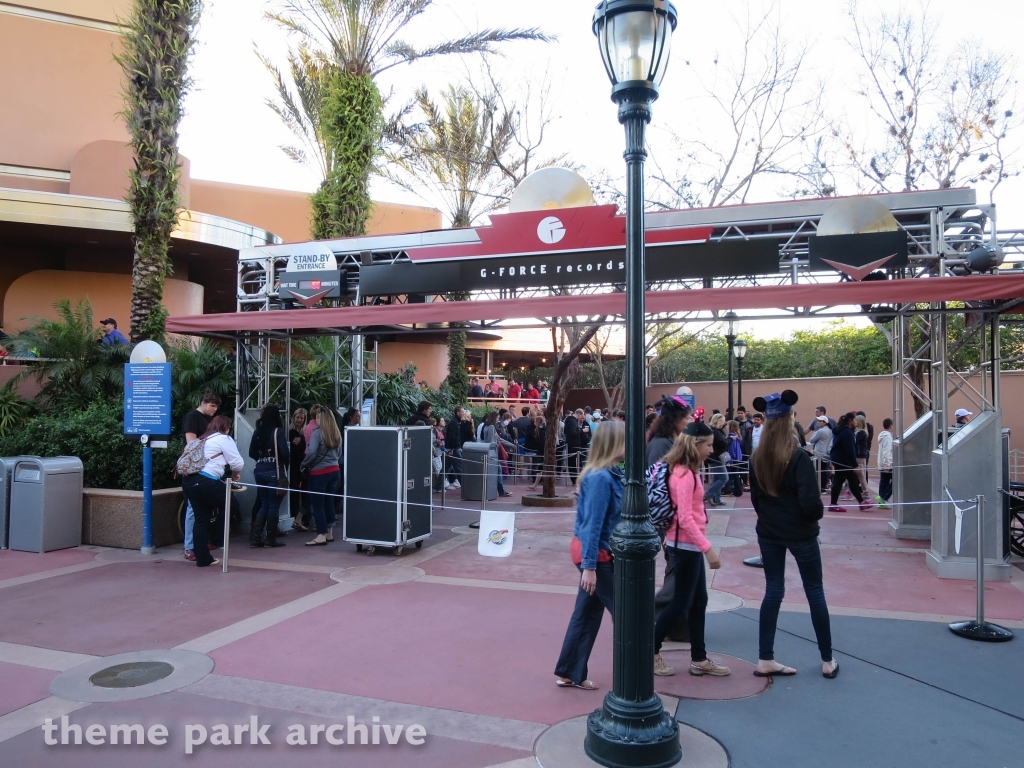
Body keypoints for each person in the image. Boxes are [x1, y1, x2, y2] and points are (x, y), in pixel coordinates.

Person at [748, 390, 838, 679]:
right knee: (814, 591)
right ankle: (827, 660)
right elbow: (811, 502)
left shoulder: (757, 457)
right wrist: (812, 518)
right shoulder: (798, 456)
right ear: (788, 420)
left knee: (773, 590)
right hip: (801, 533)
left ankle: (765, 657)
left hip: (770, 532)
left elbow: (757, 501)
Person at [652, 420, 730, 678]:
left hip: (686, 545)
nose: (711, 449)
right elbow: (685, 517)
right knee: (681, 602)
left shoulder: (687, 471)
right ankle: (650, 651)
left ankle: (699, 657)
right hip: (686, 546)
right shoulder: (684, 475)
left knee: (697, 601)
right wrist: (708, 549)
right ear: (695, 445)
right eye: (708, 444)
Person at [554, 420, 625, 690]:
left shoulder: (606, 474)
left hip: (594, 551)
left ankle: (570, 670)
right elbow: (593, 524)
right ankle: (633, 669)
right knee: (624, 610)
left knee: (587, 612)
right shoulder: (600, 478)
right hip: (596, 553)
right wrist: (590, 566)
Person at [180, 415, 242, 568]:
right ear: (226, 428)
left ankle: (203, 559)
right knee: (232, 505)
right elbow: (237, 462)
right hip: (206, 481)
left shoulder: (202, 439)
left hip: (188, 482)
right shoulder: (224, 439)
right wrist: (235, 474)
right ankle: (216, 538)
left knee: (201, 520)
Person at [181, 390, 221, 562]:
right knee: (192, 509)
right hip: (195, 469)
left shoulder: (209, 419)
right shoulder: (192, 417)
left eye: (216, 406)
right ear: (203, 403)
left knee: (203, 510)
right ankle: (189, 546)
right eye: (212, 405)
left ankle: (201, 542)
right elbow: (191, 444)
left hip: (207, 468)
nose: (215, 409)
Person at [248, 404, 289, 548]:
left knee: (264, 504)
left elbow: (251, 453)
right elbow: (285, 452)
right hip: (275, 471)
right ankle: (271, 538)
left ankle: (255, 537)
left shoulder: (258, 431)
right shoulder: (278, 432)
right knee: (274, 506)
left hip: (259, 471)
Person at [302, 405, 342, 546]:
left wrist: (304, 463)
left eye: (318, 417)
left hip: (319, 472)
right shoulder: (335, 432)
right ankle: (330, 532)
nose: (316, 419)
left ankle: (321, 534)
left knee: (317, 504)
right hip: (335, 470)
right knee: (329, 501)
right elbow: (339, 454)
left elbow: (311, 452)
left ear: (322, 419)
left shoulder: (317, 433)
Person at [829, 413, 872, 512]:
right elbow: (850, 449)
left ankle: (861, 502)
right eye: (855, 420)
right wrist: (855, 465)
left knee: (848, 480)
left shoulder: (842, 430)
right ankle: (834, 504)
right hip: (843, 460)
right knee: (843, 481)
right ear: (850, 421)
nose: (856, 422)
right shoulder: (847, 433)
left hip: (838, 458)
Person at [646, 396, 692, 467]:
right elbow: (655, 475)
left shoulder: (673, 441)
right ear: (676, 420)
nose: (690, 421)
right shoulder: (660, 445)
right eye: (687, 418)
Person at [481, 411, 514, 497]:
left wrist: (511, 445)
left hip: (489, 452)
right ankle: (501, 491)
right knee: (498, 471)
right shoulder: (492, 427)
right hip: (492, 453)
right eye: (498, 418)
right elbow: (493, 441)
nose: (498, 420)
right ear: (494, 418)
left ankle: (501, 490)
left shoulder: (486, 426)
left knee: (497, 471)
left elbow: (497, 439)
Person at [288, 408, 309, 530]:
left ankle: (306, 518)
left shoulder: (306, 433)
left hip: (305, 465)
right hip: (294, 466)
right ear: (294, 417)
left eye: (301, 418)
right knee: (295, 490)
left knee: (306, 491)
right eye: (297, 417)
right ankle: (294, 515)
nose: (299, 420)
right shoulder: (290, 432)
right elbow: (291, 451)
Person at [704, 413, 731, 507]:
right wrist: (731, 439)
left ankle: (716, 498)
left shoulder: (714, 431)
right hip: (715, 458)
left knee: (717, 478)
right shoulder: (715, 432)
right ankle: (709, 494)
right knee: (724, 478)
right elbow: (724, 443)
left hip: (713, 458)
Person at [806, 415, 833, 494]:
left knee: (818, 471)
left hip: (819, 454)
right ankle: (823, 487)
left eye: (820, 421)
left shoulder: (821, 431)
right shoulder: (830, 431)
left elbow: (812, 440)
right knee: (823, 471)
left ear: (825, 423)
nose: (818, 422)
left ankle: (820, 488)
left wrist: (815, 432)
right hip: (826, 454)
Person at [565, 408, 591, 486]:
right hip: (574, 444)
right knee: (573, 462)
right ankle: (575, 479)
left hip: (570, 444)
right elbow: (573, 433)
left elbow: (567, 432)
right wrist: (582, 431)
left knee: (572, 462)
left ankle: (575, 479)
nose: (582, 418)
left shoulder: (568, 421)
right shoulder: (573, 421)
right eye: (581, 416)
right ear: (579, 414)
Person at [445, 406, 468, 489]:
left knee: (446, 468)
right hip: (455, 448)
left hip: (454, 447)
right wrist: (454, 447)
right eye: (462, 412)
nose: (464, 413)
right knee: (459, 467)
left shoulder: (456, 422)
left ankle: (438, 486)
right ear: (458, 413)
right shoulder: (454, 423)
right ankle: (465, 486)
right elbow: (453, 436)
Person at [876, 418, 894, 509]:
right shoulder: (888, 437)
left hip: (882, 463)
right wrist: (888, 464)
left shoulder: (882, 436)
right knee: (894, 482)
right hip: (887, 464)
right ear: (891, 426)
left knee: (884, 481)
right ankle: (883, 497)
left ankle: (881, 500)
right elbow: (887, 451)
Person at [854, 414, 870, 489]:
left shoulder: (861, 433)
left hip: (859, 455)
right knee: (860, 474)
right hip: (859, 454)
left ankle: (865, 491)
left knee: (858, 474)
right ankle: (865, 491)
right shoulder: (859, 432)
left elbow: (854, 441)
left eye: (856, 420)